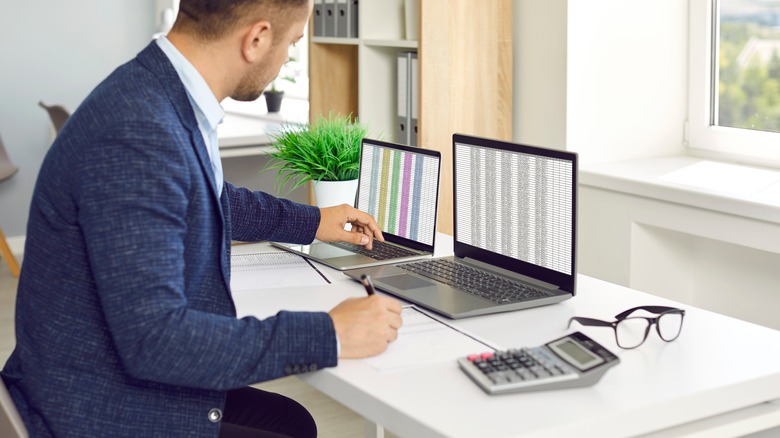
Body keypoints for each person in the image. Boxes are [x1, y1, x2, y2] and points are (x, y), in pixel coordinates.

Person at [0, 0, 404, 436]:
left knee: (291, 422)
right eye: (290, 44)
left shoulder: (158, 90)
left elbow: (208, 197)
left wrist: (313, 221)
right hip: (92, 410)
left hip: (99, 376)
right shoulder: (138, 131)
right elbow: (156, 342)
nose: (285, 57)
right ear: (257, 39)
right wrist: (329, 332)